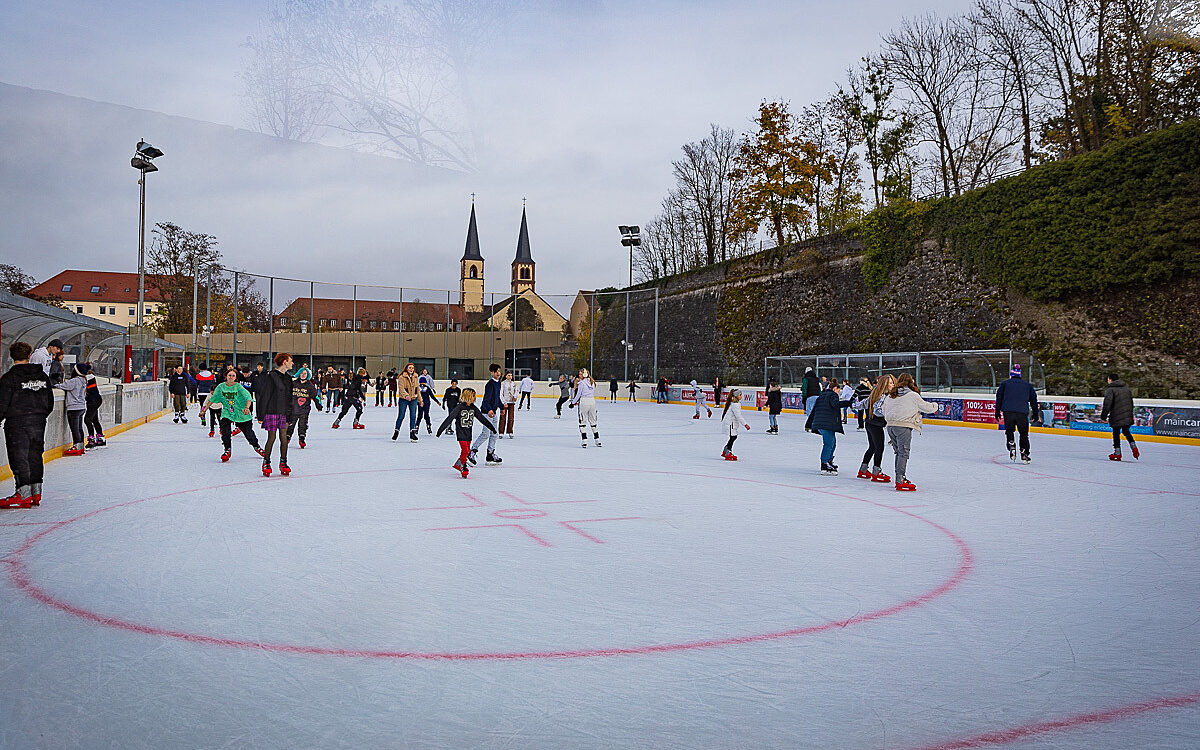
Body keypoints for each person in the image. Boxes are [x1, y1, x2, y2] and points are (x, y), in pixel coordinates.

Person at [0, 341, 55, 508]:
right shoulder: (42, 376)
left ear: (11, 357)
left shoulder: (9, 378)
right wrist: (40, 415)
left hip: (17, 423)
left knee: (19, 456)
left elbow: (2, 403)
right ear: (29, 355)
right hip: (38, 422)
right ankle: (36, 492)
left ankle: (23, 493)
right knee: (35, 454)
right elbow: (50, 401)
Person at [881, 373, 937, 491]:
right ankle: (900, 479)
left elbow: (883, 409)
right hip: (903, 426)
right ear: (911, 382)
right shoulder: (912, 395)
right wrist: (935, 405)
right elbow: (926, 407)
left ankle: (899, 478)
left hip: (890, 426)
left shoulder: (891, 395)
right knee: (903, 453)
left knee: (898, 452)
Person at [202, 366, 264, 463]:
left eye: (233, 376)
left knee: (249, 434)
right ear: (226, 376)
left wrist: (247, 408)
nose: (231, 377)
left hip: (241, 412)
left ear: (236, 377)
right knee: (225, 430)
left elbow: (248, 397)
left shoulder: (238, 387)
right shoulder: (221, 387)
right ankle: (227, 450)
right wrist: (204, 410)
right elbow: (212, 399)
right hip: (228, 412)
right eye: (229, 375)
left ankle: (257, 447)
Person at [437, 388, 497, 478]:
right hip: (461, 433)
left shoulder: (473, 408)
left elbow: (482, 419)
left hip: (468, 433)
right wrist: (440, 430)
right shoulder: (459, 407)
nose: (475, 398)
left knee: (466, 451)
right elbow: (449, 418)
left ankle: (459, 464)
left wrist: (492, 428)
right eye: (473, 396)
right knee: (465, 450)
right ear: (468, 396)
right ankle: (463, 466)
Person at [255, 353, 295, 477]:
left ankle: (283, 462)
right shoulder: (271, 376)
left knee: (284, 438)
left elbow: (290, 398)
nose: (292, 363)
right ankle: (266, 462)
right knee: (271, 438)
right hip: (272, 411)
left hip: (284, 412)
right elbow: (264, 395)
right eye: (290, 361)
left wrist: (291, 414)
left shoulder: (288, 378)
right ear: (284, 362)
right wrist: (261, 415)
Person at [805, 378, 853, 475]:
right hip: (827, 424)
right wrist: (848, 402)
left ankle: (829, 461)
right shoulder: (833, 395)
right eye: (838, 390)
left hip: (822, 423)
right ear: (835, 388)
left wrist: (808, 424)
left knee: (832, 443)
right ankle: (824, 463)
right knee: (829, 444)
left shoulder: (821, 396)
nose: (838, 393)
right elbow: (835, 404)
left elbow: (814, 410)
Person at [995, 364, 1039, 463]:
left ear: (1011, 374)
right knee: (1024, 434)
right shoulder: (1028, 385)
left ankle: (1011, 443)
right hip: (1022, 413)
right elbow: (1033, 400)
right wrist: (1035, 413)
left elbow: (999, 398)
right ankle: (1024, 452)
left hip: (1008, 412)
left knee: (1009, 431)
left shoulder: (1005, 384)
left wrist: (997, 411)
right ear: (1020, 375)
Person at [857, 374, 895, 482]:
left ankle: (863, 469)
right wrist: (888, 413)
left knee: (872, 447)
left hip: (869, 423)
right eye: (891, 383)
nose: (893, 385)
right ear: (885, 384)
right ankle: (876, 472)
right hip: (875, 425)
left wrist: (853, 405)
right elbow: (877, 410)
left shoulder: (875, 392)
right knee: (879, 448)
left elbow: (864, 403)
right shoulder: (883, 396)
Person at [468, 363, 503, 465]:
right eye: (496, 371)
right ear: (491, 373)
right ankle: (472, 452)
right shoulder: (490, 384)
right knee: (485, 434)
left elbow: (496, 398)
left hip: (493, 412)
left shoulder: (498, 383)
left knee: (494, 434)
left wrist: (501, 406)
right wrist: (488, 410)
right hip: (487, 412)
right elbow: (486, 400)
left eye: (499, 371)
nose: (498, 373)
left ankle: (490, 454)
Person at [1101, 373, 1139, 461]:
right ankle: (1134, 447)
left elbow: (1107, 404)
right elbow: (1130, 402)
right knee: (1126, 431)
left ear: (1110, 380)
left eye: (1108, 379)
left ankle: (1117, 453)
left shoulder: (1111, 390)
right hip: (1127, 414)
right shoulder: (1126, 389)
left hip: (1116, 415)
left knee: (1116, 433)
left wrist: (1103, 416)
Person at [55, 364, 89, 456]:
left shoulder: (74, 381)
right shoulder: (84, 380)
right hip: (81, 407)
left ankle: (77, 446)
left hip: (74, 407)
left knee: (75, 429)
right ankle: (81, 446)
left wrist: (53, 384)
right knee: (79, 428)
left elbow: (62, 386)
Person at [287, 366, 323, 447]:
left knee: (302, 424)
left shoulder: (310, 385)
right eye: (302, 373)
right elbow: (286, 394)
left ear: (308, 375)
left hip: (304, 409)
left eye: (305, 374)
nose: (303, 375)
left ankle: (302, 438)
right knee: (291, 424)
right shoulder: (293, 383)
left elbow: (315, 396)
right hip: (293, 408)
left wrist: (319, 405)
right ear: (299, 374)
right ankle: (287, 437)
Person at [570, 367, 601, 447]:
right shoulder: (592, 382)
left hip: (584, 402)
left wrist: (573, 403)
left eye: (580, 374)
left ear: (584, 375)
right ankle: (597, 439)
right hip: (592, 401)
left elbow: (578, 394)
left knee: (582, 421)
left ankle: (584, 440)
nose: (579, 375)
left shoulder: (582, 383)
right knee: (593, 421)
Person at [392, 362, 423, 443]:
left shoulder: (416, 377)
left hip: (413, 399)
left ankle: (412, 433)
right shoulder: (402, 377)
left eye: (412, 368)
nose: (411, 369)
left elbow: (417, 389)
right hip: (403, 400)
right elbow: (401, 389)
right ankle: (396, 431)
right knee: (401, 416)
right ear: (406, 368)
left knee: (413, 416)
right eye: (409, 368)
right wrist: (406, 396)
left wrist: (420, 400)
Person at [719, 387, 750, 460]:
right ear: (736, 396)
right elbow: (738, 416)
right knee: (733, 437)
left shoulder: (735, 403)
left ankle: (726, 450)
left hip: (732, 423)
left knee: (733, 437)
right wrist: (745, 424)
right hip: (730, 424)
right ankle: (728, 451)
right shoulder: (735, 404)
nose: (741, 396)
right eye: (740, 395)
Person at [83, 364, 106, 448]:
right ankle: (100, 437)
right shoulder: (89, 377)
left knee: (87, 419)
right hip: (95, 399)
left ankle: (91, 439)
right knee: (94, 420)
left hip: (93, 400)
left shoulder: (89, 377)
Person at [417, 368, 441, 434]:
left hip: (420, 403)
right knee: (426, 415)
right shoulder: (427, 388)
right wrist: (437, 401)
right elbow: (432, 396)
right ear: (425, 382)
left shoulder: (418, 388)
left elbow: (415, 395)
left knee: (419, 415)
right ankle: (428, 426)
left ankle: (416, 426)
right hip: (427, 403)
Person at [499, 371, 518, 437]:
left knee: (511, 418)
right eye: (508, 375)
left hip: (512, 402)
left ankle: (510, 431)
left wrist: (515, 396)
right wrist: (504, 402)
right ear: (506, 376)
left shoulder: (514, 383)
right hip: (505, 402)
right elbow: (501, 394)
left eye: (511, 375)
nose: (510, 377)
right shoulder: (503, 383)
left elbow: (516, 391)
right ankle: (501, 432)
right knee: (503, 418)